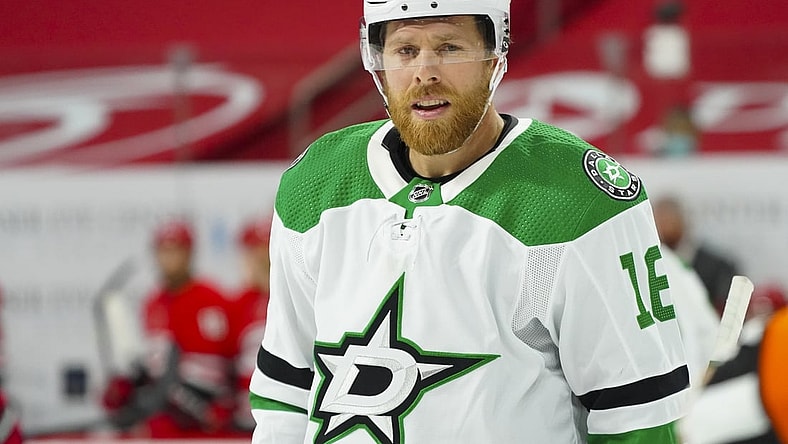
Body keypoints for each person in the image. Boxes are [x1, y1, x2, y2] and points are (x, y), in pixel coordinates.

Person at [249, 1, 689, 442]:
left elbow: (639, 418)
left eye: (450, 47)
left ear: (495, 56)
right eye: (405, 50)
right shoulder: (314, 184)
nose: (425, 73)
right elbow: (286, 392)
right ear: (378, 61)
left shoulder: (578, 201)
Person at [101, 219, 238, 438]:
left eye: (176, 250)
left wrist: (227, 404)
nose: (169, 258)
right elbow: (156, 366)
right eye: (163, 250)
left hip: (207, 412)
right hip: (167, 408)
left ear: (190, 253)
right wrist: (130, 386)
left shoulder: (213, 298)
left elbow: (232, 359)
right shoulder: (153, 303)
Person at [652, 196, 740, 313]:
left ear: (683, 221)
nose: (664, 226)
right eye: (659, 220)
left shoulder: (719, 268)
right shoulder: (649, 269)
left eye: (668, 220)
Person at [228, 218, 271, 431]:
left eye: (266, 250)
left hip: (296, 413)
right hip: (244, 420)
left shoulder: (304, 299)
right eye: (255, 251)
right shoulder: (237, 305)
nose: (263, 259)